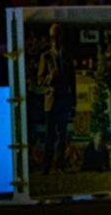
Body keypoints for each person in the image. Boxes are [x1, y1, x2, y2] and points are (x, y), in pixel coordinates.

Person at [37, 22, 76, 174]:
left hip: (64, 101)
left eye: (58, 35)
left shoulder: (67, 56)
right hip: (51, 102)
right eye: (53, 36)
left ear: (61, 37)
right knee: (50, 135)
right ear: (50, 37)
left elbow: (72, 81)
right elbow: (39, 80)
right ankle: (46, 167)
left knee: (62, 135)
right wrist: (49, 77)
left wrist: (73, 103)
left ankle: (59, 165)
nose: (55, 39)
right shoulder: (45, 57)